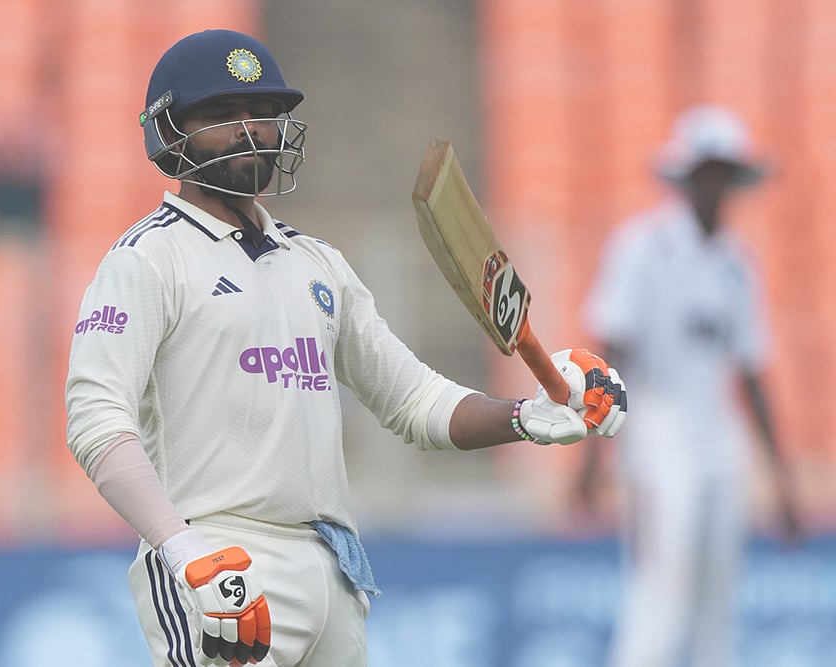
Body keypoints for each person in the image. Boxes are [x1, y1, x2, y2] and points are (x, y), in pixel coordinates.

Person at [65, 29, 627, 667]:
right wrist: (183, 551)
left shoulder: (317, 264)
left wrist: (525, 416)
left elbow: (413, 401)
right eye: (222, 117)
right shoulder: (147, 258)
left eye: (265, 115)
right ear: (170, 134)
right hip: (218, 557)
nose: (251, 132)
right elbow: (95, 421)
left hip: (332, 566)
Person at [573, 104, 801, 667]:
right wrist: (591, 451)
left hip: (720, 439)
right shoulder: (642, 247)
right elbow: (611, 348)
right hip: (655, 432)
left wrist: (782, 477)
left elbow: (750, 374)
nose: (716, 183)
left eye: (725, 171)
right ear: (688, 175)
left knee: (716, 606)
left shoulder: (737, 264)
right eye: (707, 170)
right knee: (661, 591)